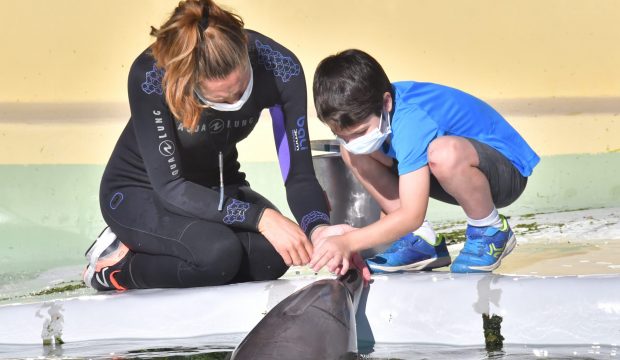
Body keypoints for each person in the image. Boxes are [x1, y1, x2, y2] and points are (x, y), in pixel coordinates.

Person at [83, 0, 358, 291]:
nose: (234, 102)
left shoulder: (280, 67)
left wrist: (319, 229)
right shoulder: (151, 75)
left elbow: (299, 174)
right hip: (142, 192)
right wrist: (262, 218)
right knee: (217, 255)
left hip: (219, 187)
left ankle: (190, 245)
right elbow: (171, 187)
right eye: (221, 99)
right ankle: (116, 268)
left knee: (278, 256)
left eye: (240, 91)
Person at [309, 49, 539, 275]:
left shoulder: (412, 119)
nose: (353, 141)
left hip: (504, 172)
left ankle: (490, 229)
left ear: (386, 103)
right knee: (351, 152)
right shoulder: (379, 116)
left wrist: (348, 242)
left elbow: (411, 214)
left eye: (360, 132)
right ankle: (421, 240)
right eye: (343, 134)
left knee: (443, 153)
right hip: (448, 172)